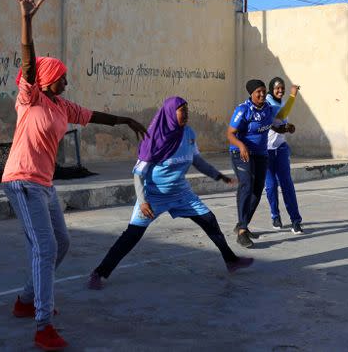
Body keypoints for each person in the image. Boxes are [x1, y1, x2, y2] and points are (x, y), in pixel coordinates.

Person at [2, 0, 147, 351]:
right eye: (62, 77)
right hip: (21, 181)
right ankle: (42, 323)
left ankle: (24, 301)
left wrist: (126, 119)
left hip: (44, 184)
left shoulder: (62, 107)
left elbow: (94, 115)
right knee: (45, 248)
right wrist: (26, 21)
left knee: (60, 244)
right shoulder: (30, 97)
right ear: (46, 79)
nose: (67, 81)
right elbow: (27, 61)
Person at [87, 96, 253, 289]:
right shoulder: (154, 139)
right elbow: (138, 174)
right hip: (153, 196)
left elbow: (197, 161)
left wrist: (219, 176)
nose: (187, 113)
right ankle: (99, 273)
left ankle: (231, 260)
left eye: (187, 109)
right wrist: (143, 201)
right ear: (170, 114)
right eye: (182, 110)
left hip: (181, 194)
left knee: (209, 220)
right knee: (131, 235)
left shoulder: (188, 133)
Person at [227, 79, 294, 248]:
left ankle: (242, 224)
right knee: (246, 185)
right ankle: (242, 232)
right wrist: (241, 145)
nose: (262, 94)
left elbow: (274, 126)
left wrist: (285, 129)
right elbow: (230, 134)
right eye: (259, 92)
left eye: (264, 91)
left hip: (261, 154)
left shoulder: (268, 110)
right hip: (241, 153)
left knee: (257, 191)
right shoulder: (243, 110)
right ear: (251, 93)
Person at [265, 77, 303, 234]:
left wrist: (289, 127)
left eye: (282, 88)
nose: (280, 91)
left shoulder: (280, 102)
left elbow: (282, 123)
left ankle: (295, 220)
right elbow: (280, 116)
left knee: (287, 184)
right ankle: (275, 215)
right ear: (270, 89)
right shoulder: (267, 103)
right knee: (271, 185)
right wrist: (293, 96)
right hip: (265, 151)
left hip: (280, 149)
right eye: (277, 88)